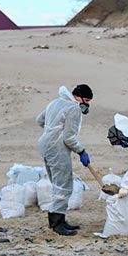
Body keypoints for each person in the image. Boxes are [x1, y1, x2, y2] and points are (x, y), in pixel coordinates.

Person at [36, 84, 93, 236]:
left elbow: (39, 120)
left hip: (45, 145)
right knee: (64, 185)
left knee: (57, 183)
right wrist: (82, 151)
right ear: (78, 97)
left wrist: (52, 130)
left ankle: (58, 219)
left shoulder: (55, 102)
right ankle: (57, 224)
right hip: (57, 148)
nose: (86, 104)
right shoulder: (73, 108)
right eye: (86, 100)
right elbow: (69, 138)